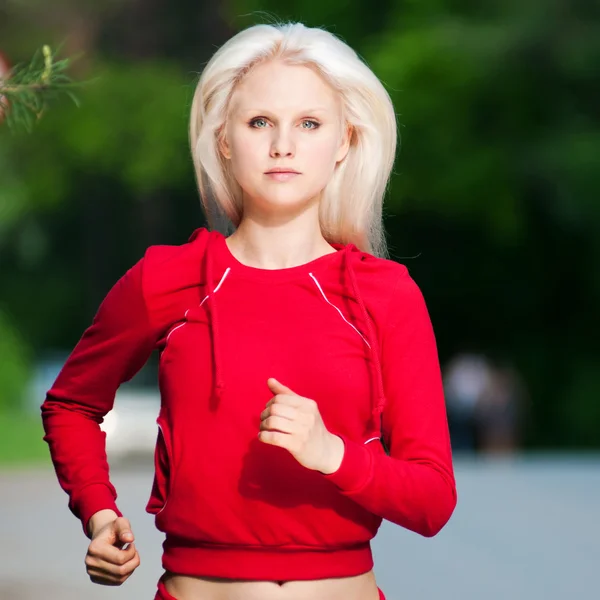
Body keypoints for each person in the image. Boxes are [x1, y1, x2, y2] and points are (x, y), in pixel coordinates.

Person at [41, 21, 457, 600]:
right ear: (223, 140)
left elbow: (433, 500)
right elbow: (71, 405)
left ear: (344, 142)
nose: (282, 144)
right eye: (260, 121)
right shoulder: (166, 278)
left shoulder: (386, 294)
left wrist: (332, 454)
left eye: (309, 124)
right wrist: (98, 511)